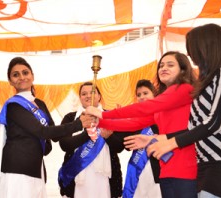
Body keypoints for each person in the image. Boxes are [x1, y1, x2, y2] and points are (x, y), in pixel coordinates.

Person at [131, 24, 221, 198]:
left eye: (192, 48)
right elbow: (196, 128)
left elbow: (215, 122)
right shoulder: (208, 80)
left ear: (206, 46)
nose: (190, 54)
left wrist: (171, 143)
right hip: (204, 165)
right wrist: (158, 138)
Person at [85, 51, 198, 198]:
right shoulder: (165, 99)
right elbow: (134, 122)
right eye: (161, 65)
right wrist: (100, 122)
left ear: (183, 70)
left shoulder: (184, 89)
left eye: (170, 65)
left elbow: (142, 108)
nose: (164, 68)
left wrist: (103, 114)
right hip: (166, 169)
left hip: (185, 168)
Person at [0, 57, 93, 198]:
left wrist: (84, 120)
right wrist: (79, 123)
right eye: (15, 74)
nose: (21, 77)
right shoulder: (14, 105)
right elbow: (41, 131)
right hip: (16, 170)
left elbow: (54, 136)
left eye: (25, 72)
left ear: (32, 76)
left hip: (36, 168)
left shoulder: (40, 104)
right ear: (10, 81)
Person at [58, 81, 125, 198]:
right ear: (80, 98)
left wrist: (108, 137)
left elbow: (120, 147)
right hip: (76, 176)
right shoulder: (70, 117)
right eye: (84, 94)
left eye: (92, 92)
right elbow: (64, 144)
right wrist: (87, 133)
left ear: (99, 96)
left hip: (104, 178)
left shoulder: (110, 116)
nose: (88, 96)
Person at [122, 79, 161, 198]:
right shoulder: (134, 118)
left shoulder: (162, 114)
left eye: (145, 93)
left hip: (158, 172)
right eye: (139, 95)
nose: (142, 97)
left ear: (154, 94)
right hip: (139, 174)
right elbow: (127, 145)